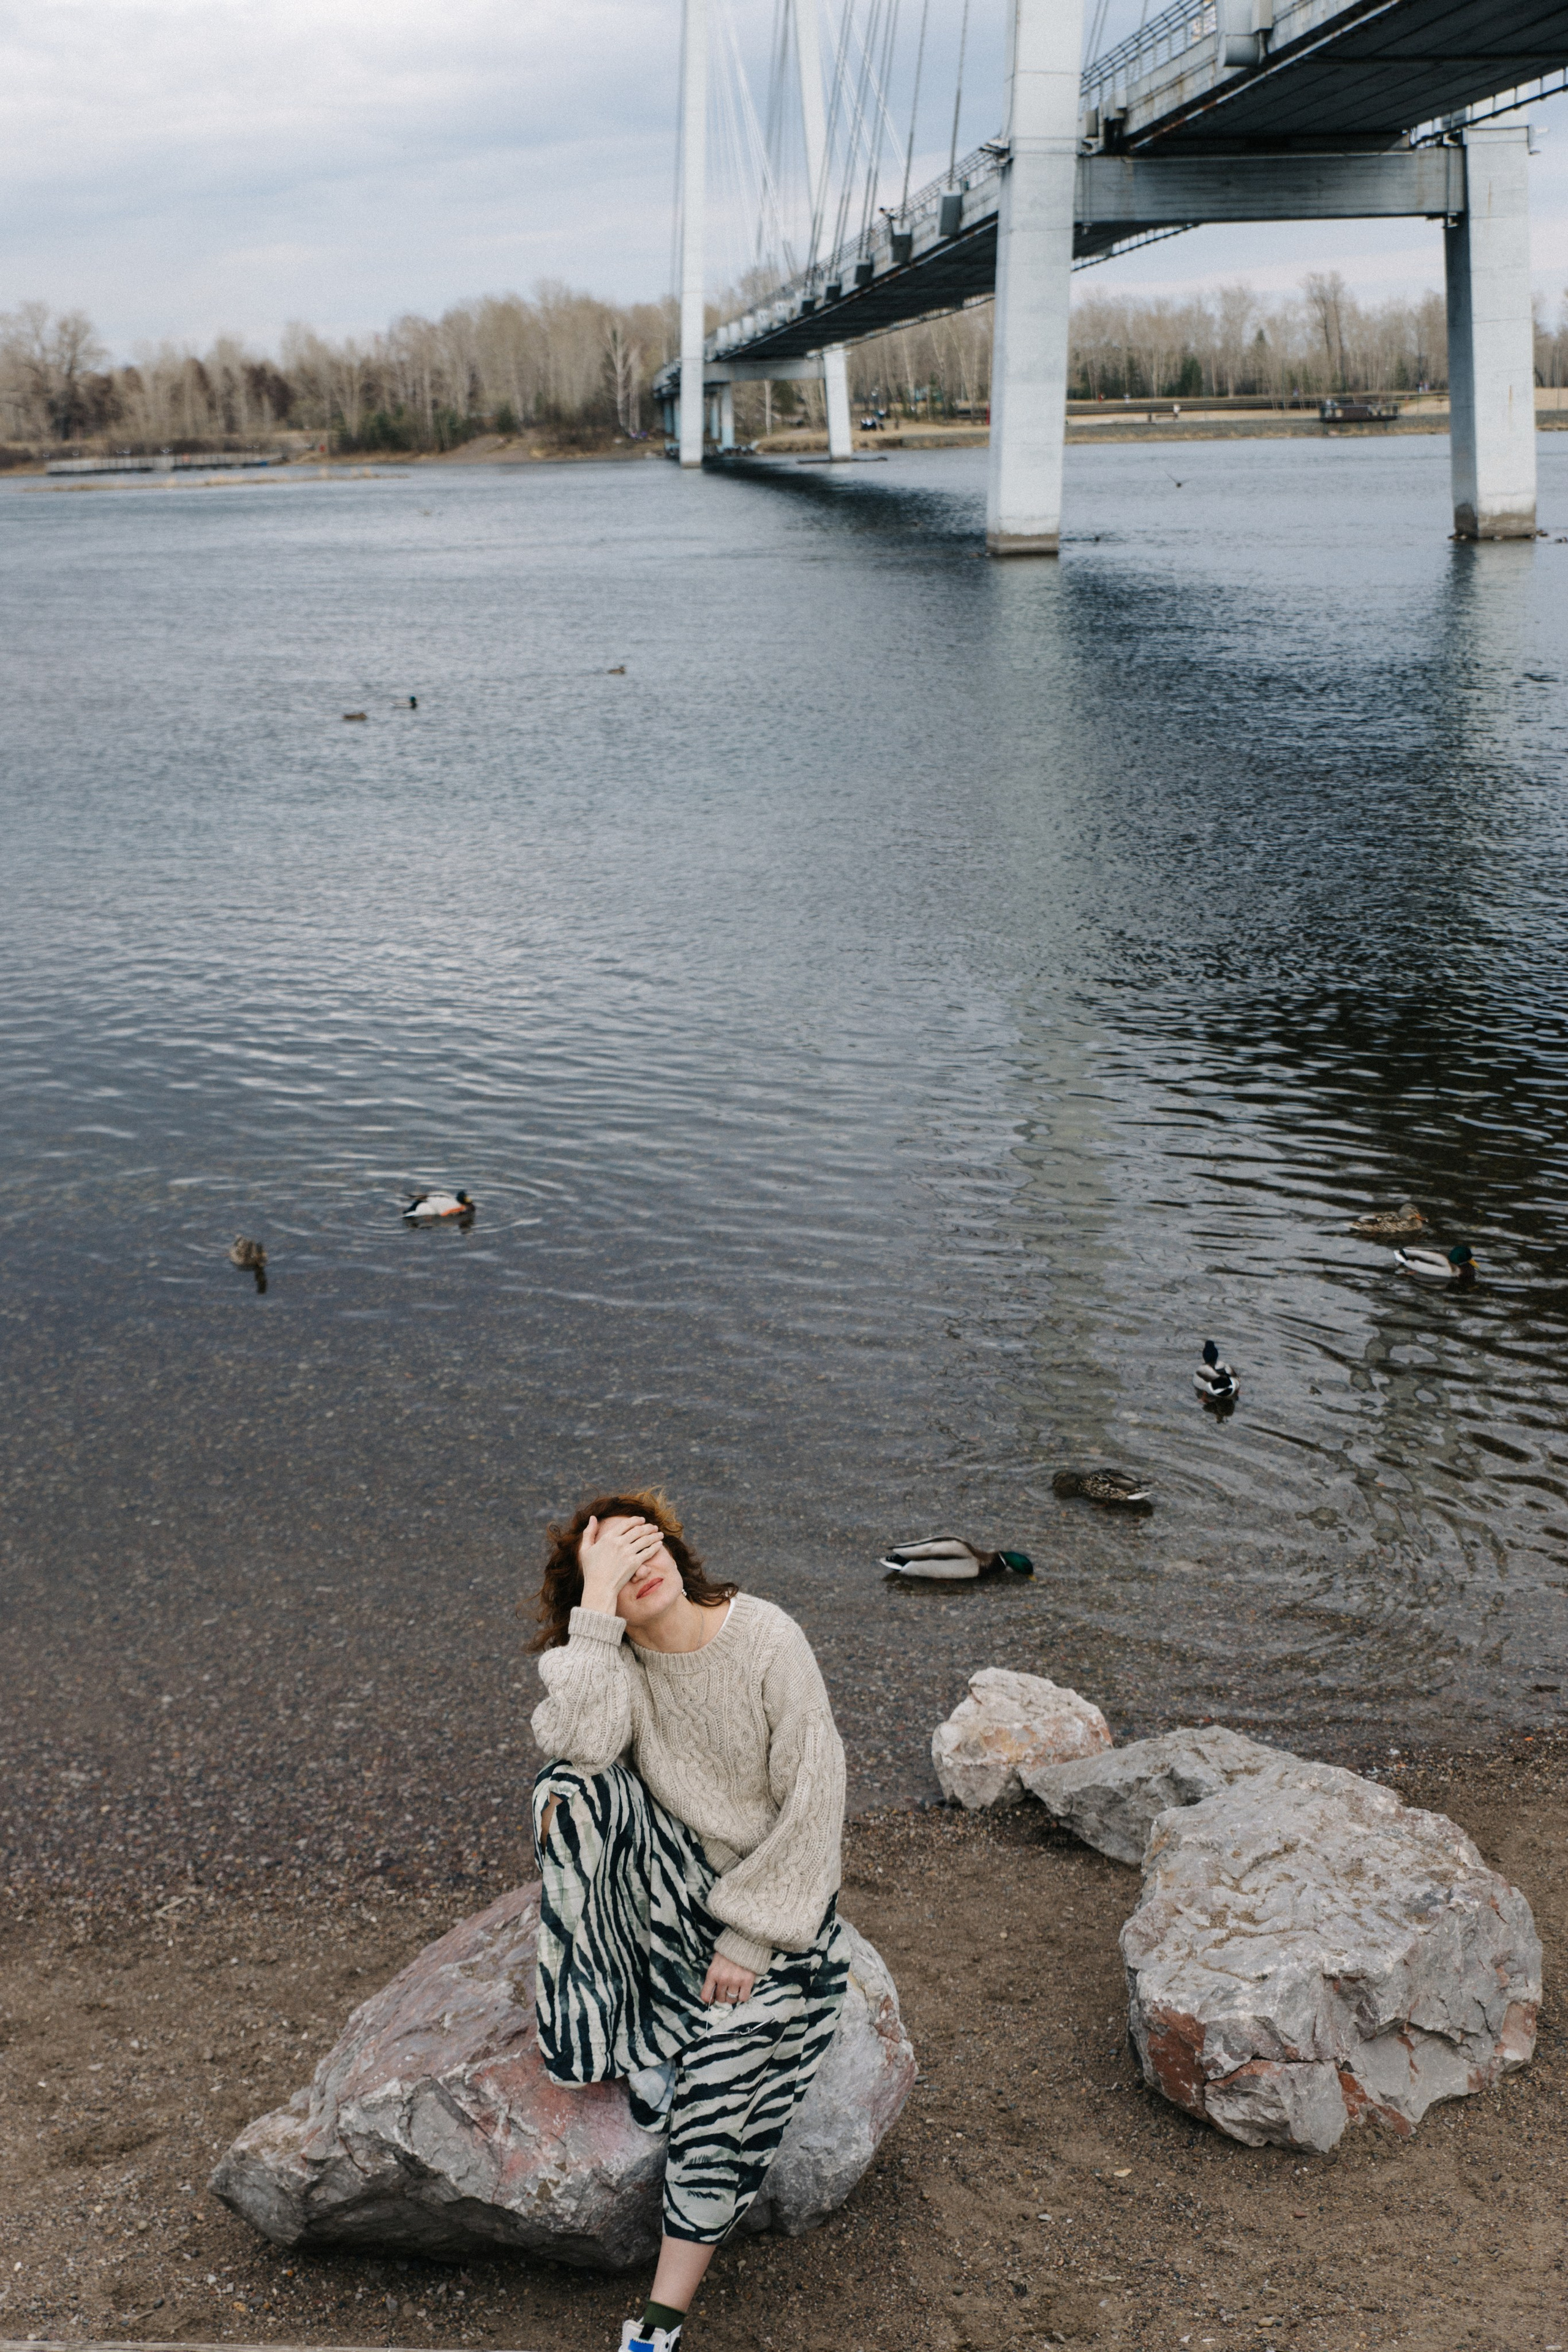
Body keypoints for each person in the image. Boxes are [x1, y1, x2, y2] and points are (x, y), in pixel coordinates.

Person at [529, 1490, 848, 2352]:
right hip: (669, 1896)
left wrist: (751, 1937)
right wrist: (594, 1611)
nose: (641, 1570)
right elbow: (577, 1739)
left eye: (647, 1547)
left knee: (722, 2090)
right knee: (566, 1791)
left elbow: (817, 1799)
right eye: (614, 1566)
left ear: (675, 1548)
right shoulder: (619, 1665)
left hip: (773, 1909)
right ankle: (637, 2034)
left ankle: (658, 2328)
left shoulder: (767, 1638)